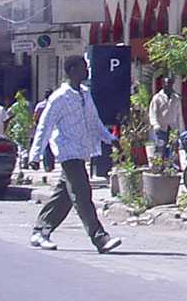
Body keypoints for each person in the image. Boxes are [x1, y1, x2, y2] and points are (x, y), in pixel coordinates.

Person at [27, 56, 123, 254]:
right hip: (67, 152)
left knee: (63, 197)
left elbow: (94, 121)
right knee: (82, 194)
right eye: (83, 68)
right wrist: (35, 156)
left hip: (81, 151)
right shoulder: (59, 97)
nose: (86, 71)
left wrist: (109, 138)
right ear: (71, 70)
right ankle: (100, 238)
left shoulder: (85, 94)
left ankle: (40, 231)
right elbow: (45, 126)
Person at [147, 77, 182, 166]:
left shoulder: (176, 98)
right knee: (160, 147)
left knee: (173, 147)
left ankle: (171, 166)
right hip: (161, 127)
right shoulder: (157, 98)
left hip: (173, 127)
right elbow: (153, 113)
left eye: (170, 84)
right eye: (166, 84)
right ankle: (158, 166)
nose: (168, 86)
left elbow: (178, 114)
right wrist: (155, 124)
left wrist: (179, 127)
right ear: (163, 85)